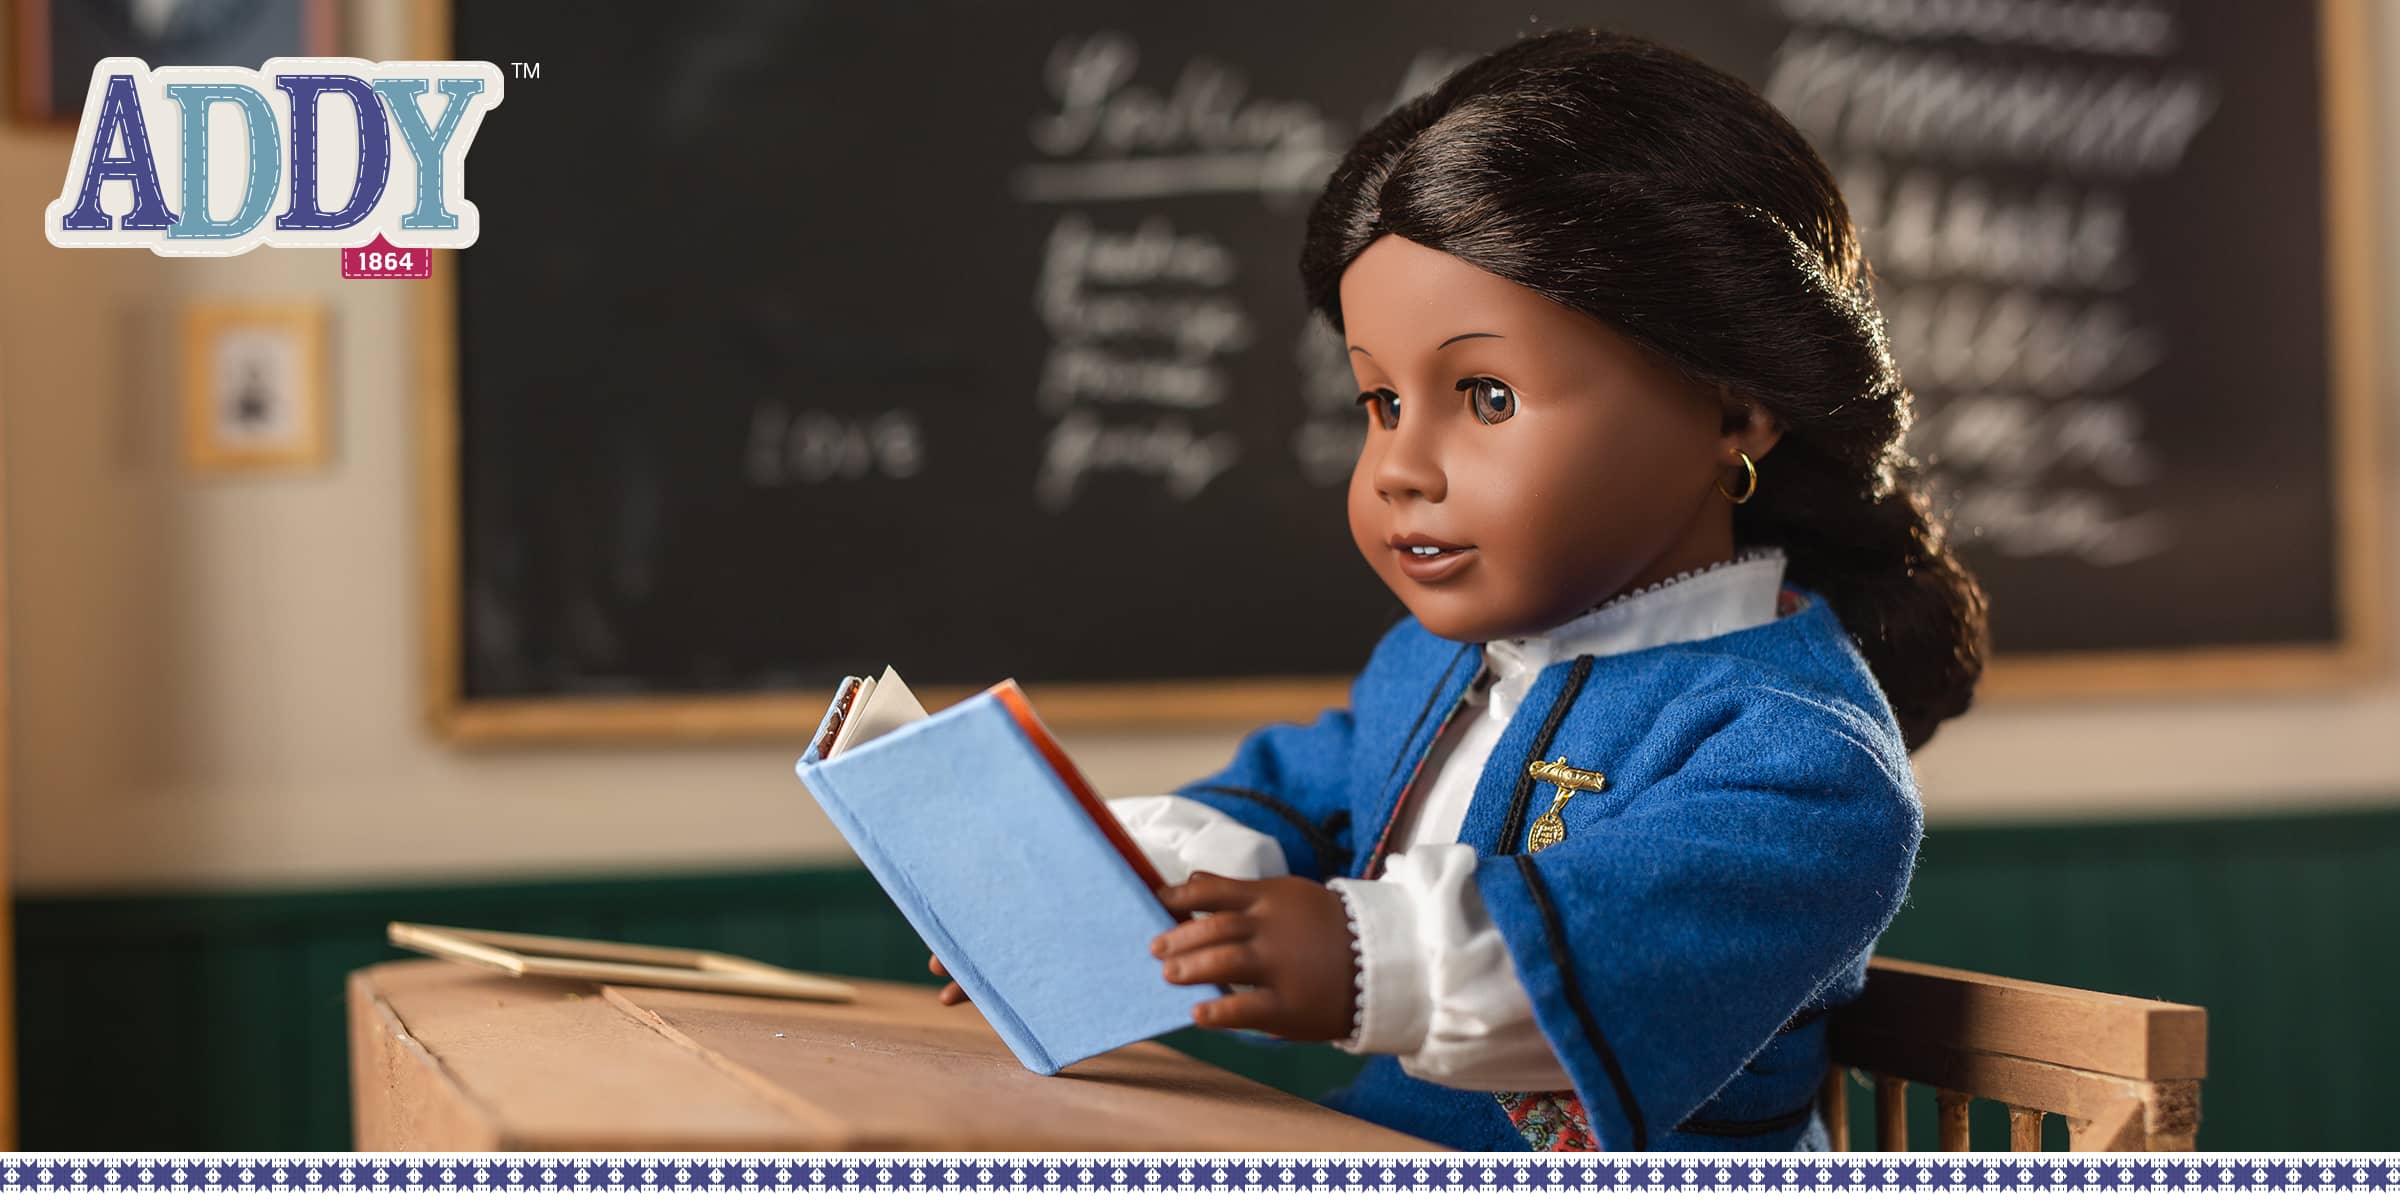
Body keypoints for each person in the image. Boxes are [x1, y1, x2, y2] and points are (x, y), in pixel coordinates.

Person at [935, 27, 1987, 1152]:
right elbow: (1296, 796)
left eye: (1487, 397)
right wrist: (1120, 893)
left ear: (1732, 410)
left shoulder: (1799, 757)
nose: (1400, 466)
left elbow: (1630, 940)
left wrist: (1367, 959)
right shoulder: (1435, 668)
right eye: (1381, 403)